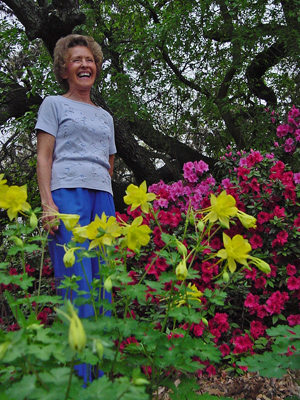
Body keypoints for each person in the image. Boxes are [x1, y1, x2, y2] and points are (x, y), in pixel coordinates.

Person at [35, 34, 116, 321]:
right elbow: (44, 156)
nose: (85, 65)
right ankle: (77, 365)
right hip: (68, 196)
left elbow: (109, 159)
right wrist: (48, 204)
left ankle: (100, 365)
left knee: (104, 278)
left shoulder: (106, 116)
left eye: (90, 60)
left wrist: (98, 182)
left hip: (103, 199)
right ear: (63, 69)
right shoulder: (53, 104)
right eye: (77, 60)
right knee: (76, 280)